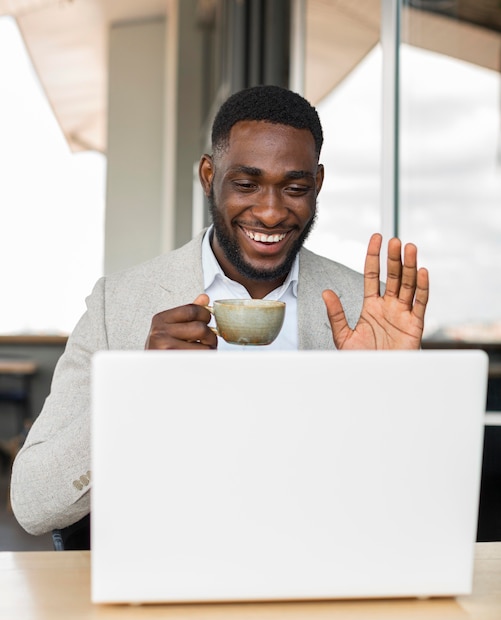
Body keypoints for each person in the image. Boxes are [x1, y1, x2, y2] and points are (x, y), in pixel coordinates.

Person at [10, 85, 429, 536]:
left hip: (319, 568)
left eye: (294, 188)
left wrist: (385, 396)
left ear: (317, 185)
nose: (270, 213)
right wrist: (139, 393)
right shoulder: (120, 303)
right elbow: (33, 505)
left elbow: (415, 505)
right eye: (246, 184)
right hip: (175, 574)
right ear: (209, 176)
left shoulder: (363, 307)